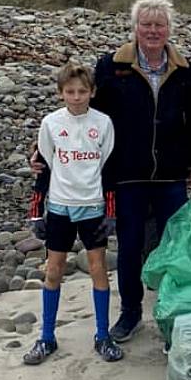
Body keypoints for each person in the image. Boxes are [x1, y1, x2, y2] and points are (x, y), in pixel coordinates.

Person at [91, 0, 191, 342]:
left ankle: (175, 311)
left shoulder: (184, 70)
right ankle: (130, 313)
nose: (153, 31)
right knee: (129, 246)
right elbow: (91, 116)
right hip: (128, 174)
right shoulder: (111, 66)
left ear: (169, 29)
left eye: (159, 25)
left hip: (172, 174)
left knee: (176, 245)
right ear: (135, 28)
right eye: (147, 24)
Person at [24, 62, 122, 364]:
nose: (76, 97)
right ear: (61, 93)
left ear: (92, 92)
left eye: (82, 91)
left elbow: (109, 169)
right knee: (53, 270)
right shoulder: (51, 123)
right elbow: (44, 167)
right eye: (70, 92)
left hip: (92, 206)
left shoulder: (103, 123)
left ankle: (103, 336)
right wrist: (36, 213)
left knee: (97, 269)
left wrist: (110, 212)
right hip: (60, 207)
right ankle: (47, 337)